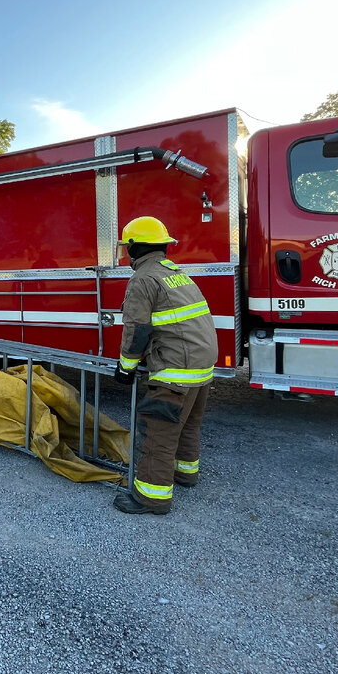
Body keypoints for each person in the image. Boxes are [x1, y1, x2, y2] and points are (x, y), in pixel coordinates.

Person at [112, 216, 217, 515]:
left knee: (158, 431)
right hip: (201, 366)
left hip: (176, 368)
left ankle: (151, 497)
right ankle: (186, 473)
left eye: (127, 248)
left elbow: (137, 330)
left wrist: (125, 367)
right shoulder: (176, 273)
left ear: (135, 248)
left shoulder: (143, 279)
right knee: (187, 425)